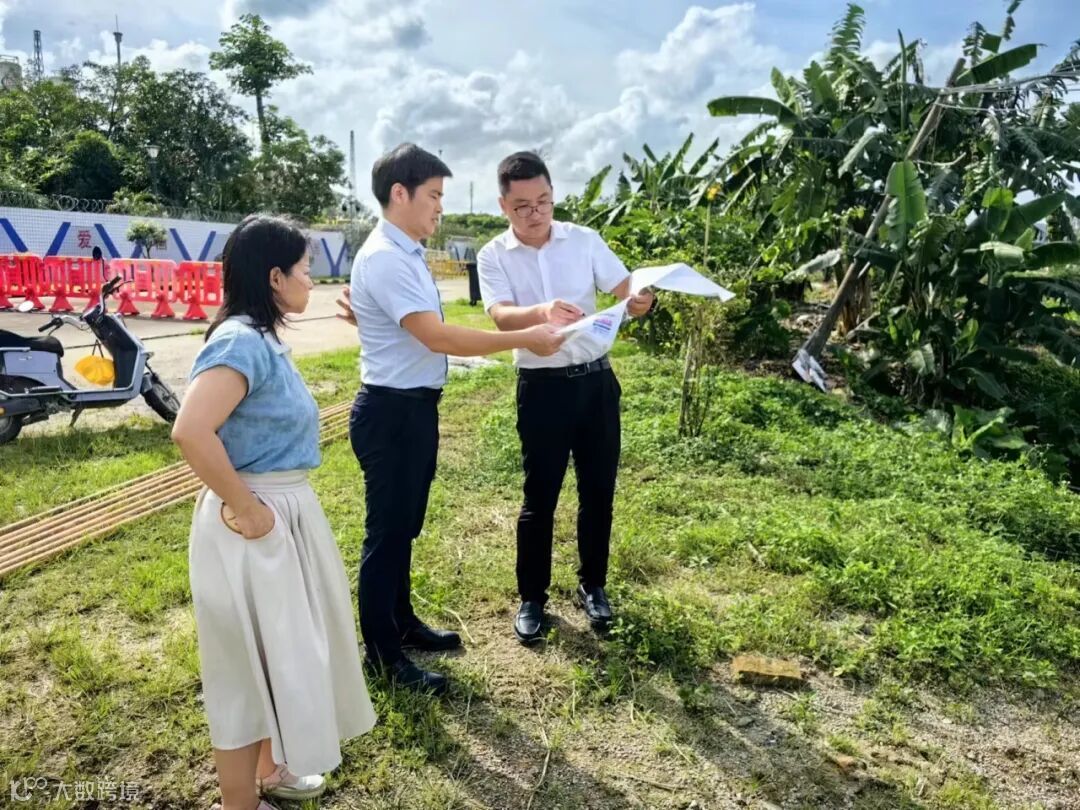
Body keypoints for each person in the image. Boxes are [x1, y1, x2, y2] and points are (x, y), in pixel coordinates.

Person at [173, 215, 376, 810]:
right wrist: (247, 508)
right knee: (244, 664)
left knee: (276, 651)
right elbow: (191, 430)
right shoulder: (239, 341)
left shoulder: (260, 338)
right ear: (274, 277)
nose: (311, 281)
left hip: (276, 509)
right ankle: (239, 801)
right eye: (305, 269)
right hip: (252, 520)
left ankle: (269, 770)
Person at [347, 143, 564, 695]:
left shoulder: (406, 253)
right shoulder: (387, 257)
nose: (441, 207)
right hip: (392, 411)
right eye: (434, 195)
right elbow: (437, 336)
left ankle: (401, 622)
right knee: (386, 535)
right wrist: (524, 337)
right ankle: (382, 654)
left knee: (404, 528)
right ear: (400, 194)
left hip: (412, 407)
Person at [477, 151, 654, 644]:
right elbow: (501, 316)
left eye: (544, 201)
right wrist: (542, 311)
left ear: (553, 195)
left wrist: (641, 300)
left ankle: (593, 586)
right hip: (542, 388)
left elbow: (627, 291)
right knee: (540, 496)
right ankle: (532, 597)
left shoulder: (584, 240)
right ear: (503, 205)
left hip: (596, 384)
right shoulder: (493, 255)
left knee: (598, 491)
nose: (535, 213)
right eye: (522, 206)